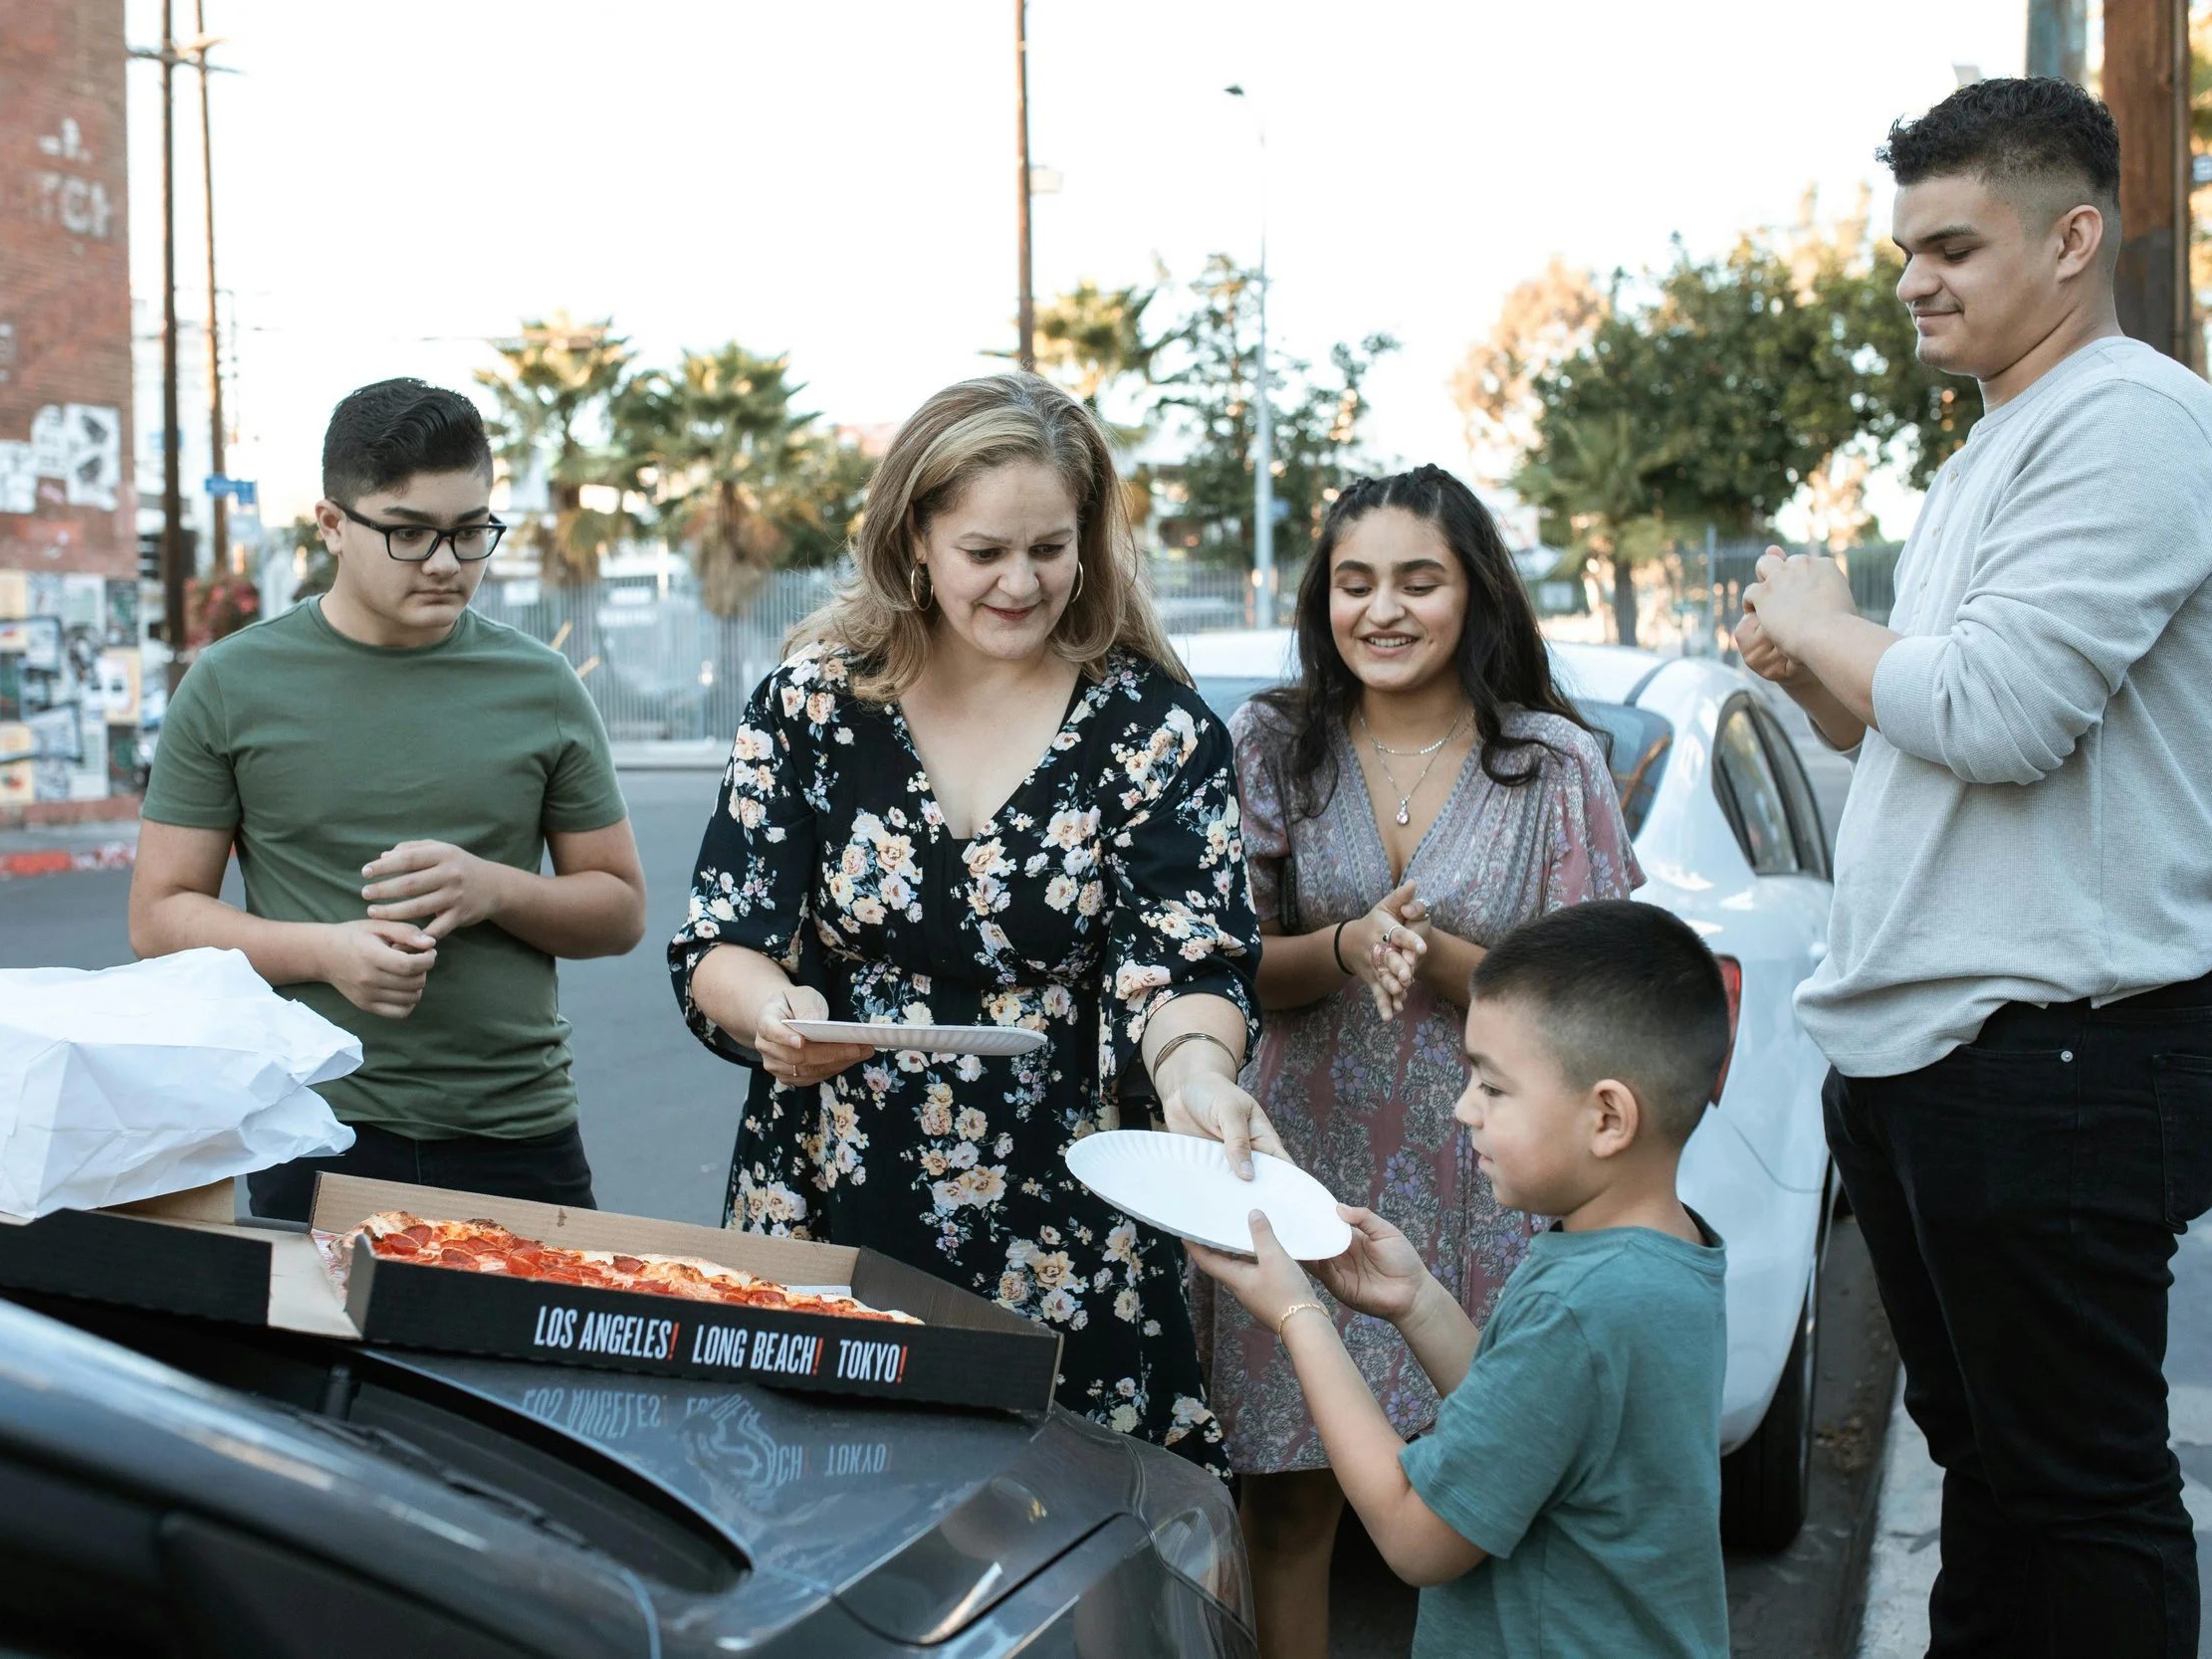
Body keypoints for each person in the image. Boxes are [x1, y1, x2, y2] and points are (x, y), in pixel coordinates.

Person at [1734, 78, 2212, 1658]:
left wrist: (1818, 618)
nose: (1913, 278)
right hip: (1946, 1054)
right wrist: (1825, 680)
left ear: (2075, 238)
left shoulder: (2132, 422)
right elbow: (1950, 747)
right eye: (1904, 248)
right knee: (1994, 1481)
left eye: (1952, 243)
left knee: (2076, 1496)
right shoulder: (1999, 445)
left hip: (2054, 1052)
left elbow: (2000, 715)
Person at [668, 372, 1279, 1470]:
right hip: (826, 1190)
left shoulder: (1155, 727)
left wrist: (1195, 1073)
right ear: (915, 539)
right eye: (985, 551)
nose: (1021, 581)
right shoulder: (808, 708)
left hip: (1069, 1213)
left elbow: (1187, 960)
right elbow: (722, 938)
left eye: (1049, 548)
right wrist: (777, 1011)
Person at [1200, 466, 1642, 1656]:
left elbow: (1597, 1000)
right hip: (1302, 1164)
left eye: (1417, 580)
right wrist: (1345, 944)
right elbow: (1222, 961)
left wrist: (1438, 956)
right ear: (1322, 599)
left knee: (1490, 1503)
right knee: (1289, 1496)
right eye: (1354, 582)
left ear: (1474, 592)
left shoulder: (1553, 765)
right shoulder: (1269, 742)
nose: (1381, 609)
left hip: (1488, 1183)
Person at [131, 378, 647, 1220]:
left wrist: (496, 889)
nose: (446, 563)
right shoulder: (231, 684)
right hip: (316, 1122)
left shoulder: (542, 685)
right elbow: (160, 917)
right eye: (408, 532)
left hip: (518, 1126)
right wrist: (326, 951)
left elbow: (620, 909)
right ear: (332, 524)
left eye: (470, 531)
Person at [1193, 900, 1732, 1659]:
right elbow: (1530, 1422)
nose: (1463, 1108)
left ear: (1608, 1117)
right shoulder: (1664, 1256)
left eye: (1493, 1086)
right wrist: (1417, 1301)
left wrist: (1296, 1313)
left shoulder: (1578, 1306)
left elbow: (1417, 1534)